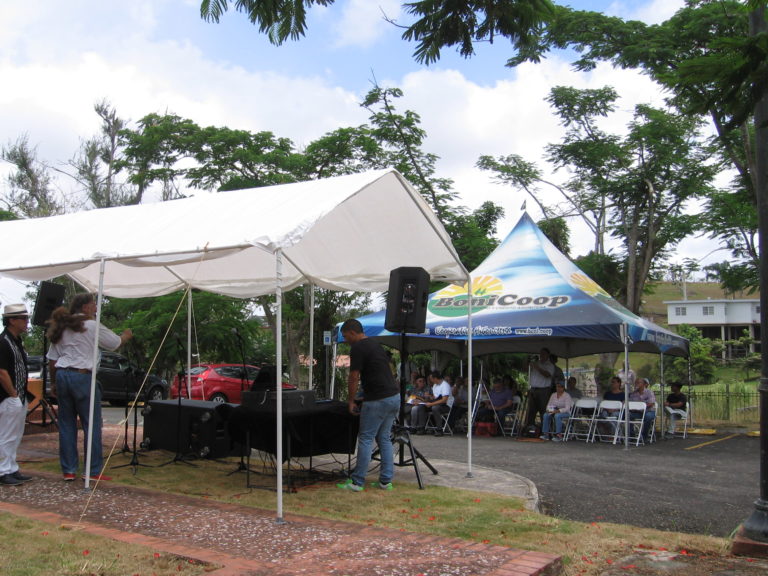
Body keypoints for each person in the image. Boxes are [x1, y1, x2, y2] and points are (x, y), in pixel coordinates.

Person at [46, 293, 133, 482]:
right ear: (85, 307)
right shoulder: (92, 325)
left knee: (67, 424)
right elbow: (114, 343)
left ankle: (69, 470)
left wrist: (53, 382)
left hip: (62, 374)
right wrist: (125, 336)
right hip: (82, 375)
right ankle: (92, 471)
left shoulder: (62, 326)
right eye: (93, 305)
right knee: (91, 424)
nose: (95, 308)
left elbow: (53, 360)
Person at [337, 319, 400, 492]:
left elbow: (354, 377)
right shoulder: (375, 344)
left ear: (352, 332)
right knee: (384, 438)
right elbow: (379, 372)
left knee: (365, 438)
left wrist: (351, 401)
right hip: (394, 397)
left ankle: (357, 482)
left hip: (378, 400)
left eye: (345, 336)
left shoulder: (357, 347)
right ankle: (386, 481)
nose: (345, 339)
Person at [0, 304, 33, 486]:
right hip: (8, 396)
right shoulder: (3, 341)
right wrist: (12, 394)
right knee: (6, 434)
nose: (26, 322)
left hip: (19, 395)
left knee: (16, 434)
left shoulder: (16, 341)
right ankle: (3, 470)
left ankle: (11, 467)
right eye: (23, 319)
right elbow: (2, 371)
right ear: (12, 320)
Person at [412, 370, 453, 436]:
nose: (430, 381)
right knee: (421, 406)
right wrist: (429, 396)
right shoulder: (435, 386)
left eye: (431, 379)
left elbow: (444, 400)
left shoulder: (445, 385)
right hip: (436, 402)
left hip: (445, 405)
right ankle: (421, 427)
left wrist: (431, 404)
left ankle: (439, 429)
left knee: (435, 408)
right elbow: (435, 397)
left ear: (435, 378)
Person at [525, 348, 554, 430]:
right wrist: (527, 361)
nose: (541, 355)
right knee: (531, 410)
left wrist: (537, 367)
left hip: (544, 390)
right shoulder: (535, 363)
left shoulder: (550, 365)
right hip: (533, 389)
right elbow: (526, 370)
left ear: (548, 355)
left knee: (543, 410)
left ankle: (545, 429)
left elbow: (547, 375)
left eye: (544, 354)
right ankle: (530, 427)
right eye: (541, 354)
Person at [629, 377, 656, 442]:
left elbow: (651, 403)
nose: (636, 384)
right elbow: (631, 404)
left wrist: (641, 407)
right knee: (627, 415)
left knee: (648, 417)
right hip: (637, 412)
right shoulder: (633, 394)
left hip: (648, 411)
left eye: (638, 383)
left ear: (644, 384)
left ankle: (644, 436)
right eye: (636, 383)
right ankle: (631, 436)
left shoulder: (649, 392)